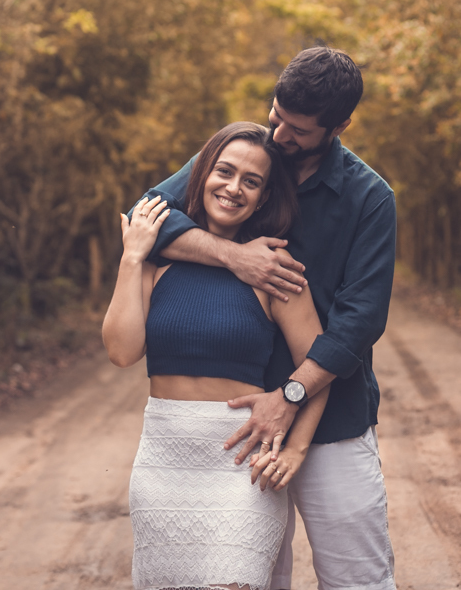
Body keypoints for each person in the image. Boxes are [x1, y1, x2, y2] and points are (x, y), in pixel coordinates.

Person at [139, 47, 397, 590]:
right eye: (277, 114)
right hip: (238, 427)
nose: (280, 135)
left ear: (339, 126)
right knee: (253, 579)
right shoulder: (250, 153)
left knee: (358, 580)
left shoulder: (369, 197)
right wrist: (233, 255)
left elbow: (360, 321)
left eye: (298, 130)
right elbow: (148, 217)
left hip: (332, 421)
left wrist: (291, 396)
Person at [103, 121, 331, 590]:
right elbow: (122, 351)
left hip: (240, 468)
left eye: (252, 181)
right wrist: (132, 257)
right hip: (162, 466)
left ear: (265, 197)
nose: (233, 188)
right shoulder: (156, 262)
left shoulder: (272, 271)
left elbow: (320, 367)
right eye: (224, 172)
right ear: (202, 174)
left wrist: (295, 448)